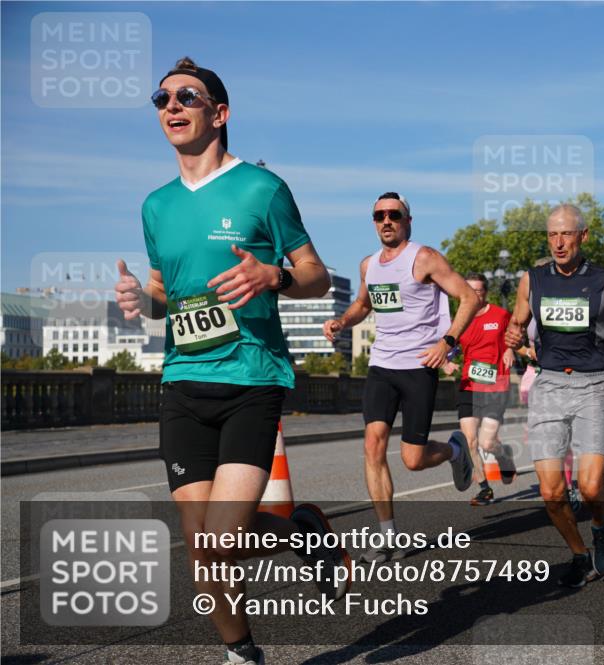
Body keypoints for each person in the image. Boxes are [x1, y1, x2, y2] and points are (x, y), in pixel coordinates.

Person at [116, 57, 350, 665]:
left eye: (186, 96)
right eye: (161, 98)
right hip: (182, 380)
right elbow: (166, 295)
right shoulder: (156, 206)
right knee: (202, 547)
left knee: (220, 537)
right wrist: (142, 300)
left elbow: (317, 277)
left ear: (218, 113)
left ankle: (302, 532)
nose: (171, 106)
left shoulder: (262, 189)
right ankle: (242, 652)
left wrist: (274, 276)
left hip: (250, 376)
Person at [323, 192, 479, 563]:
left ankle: (455, 450)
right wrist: (342, 322)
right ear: (374, 222)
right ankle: (387, 537)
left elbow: (469, 298)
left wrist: (448, 342)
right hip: (381, 366)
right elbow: (364, 304)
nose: (386, 220)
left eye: (394, 214)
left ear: (408, 220)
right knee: (372, 445)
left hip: (419, 366)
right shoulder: (368, 265)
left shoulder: (424, 258)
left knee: (412, 459)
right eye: (379, 215)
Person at [505, 204, 604, 587]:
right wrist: (513, 337)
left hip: (593, 386)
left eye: (566, 234)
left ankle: (600, 525)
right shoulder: (532, 280)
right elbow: (516, 326)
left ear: (582, 236)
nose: (558, 243)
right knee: (550, 491)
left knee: (592, 486)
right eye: (552, 235)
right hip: (548, 384)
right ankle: (580, 554)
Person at [442, 273, 518, 506]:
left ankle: (503, 455)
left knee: (487, 443)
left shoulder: (501, 314)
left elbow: (516, 336)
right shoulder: (461, 320)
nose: (474, 294)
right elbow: (448, 347)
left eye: (479, 290)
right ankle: (484, 488)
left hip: (496, 385)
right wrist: (446, 362)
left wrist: (510, 349)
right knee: (470, 440)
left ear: (485, 293)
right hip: (469, 384)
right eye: (470, 289)